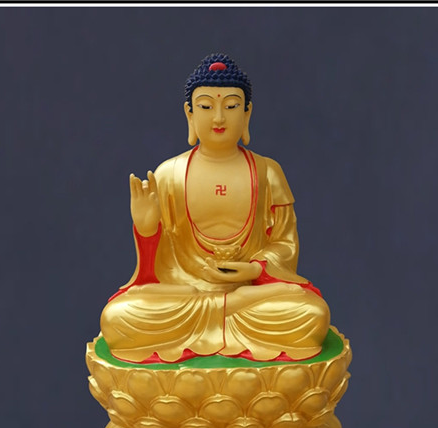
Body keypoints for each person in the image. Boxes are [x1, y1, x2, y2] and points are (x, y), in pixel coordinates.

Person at [101, 54, 330, 363]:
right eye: (206, 107)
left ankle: (227, 309)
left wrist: (254, 270)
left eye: (231, 106)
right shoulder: (168, 175)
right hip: (186, 295)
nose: (219, 118)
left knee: (313, 314)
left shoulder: (268, 173)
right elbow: (154, 272)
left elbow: (286, 245)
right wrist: (146, 230)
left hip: (250, 294)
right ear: (190, 114)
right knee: (117, 317)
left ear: (247, 113)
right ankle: (225, 311)